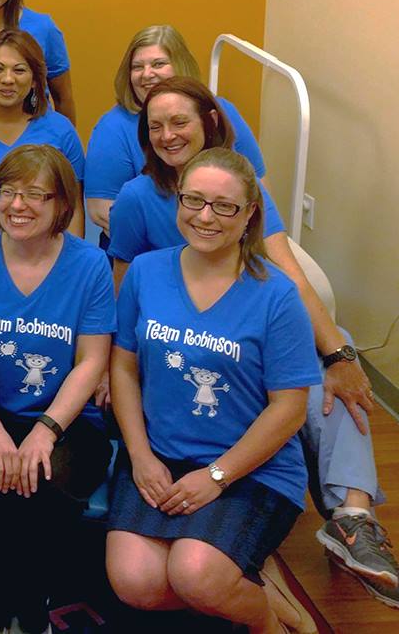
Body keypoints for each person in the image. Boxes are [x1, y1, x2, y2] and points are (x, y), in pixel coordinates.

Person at [109, 77, 398, 605]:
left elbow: (286, 274)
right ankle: (248, 578)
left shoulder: (248, 196)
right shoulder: (137, 203)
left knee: (327, 368)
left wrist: (338, 353)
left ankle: (353, 515)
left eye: (181, 122)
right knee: (137, 579)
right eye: (156, 126)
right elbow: (126, 288)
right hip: (173, 328)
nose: (169, 134)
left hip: (243, 316)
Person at [106, 147, 320, 634]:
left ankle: (271, 622)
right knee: (136, 584)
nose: (205, 216)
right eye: (193, 200)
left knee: (195, 575)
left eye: (224, 206)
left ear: (249, 215)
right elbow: (123, 367)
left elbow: (290, 408)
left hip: (250, 467)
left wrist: (218, 475)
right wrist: (139, 456)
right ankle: (254, 583)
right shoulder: (145, 271)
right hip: (160, 457)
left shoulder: (277, 294)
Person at [0, 144, 114, 633]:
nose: (17, 205)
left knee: (43, 480)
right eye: (7, 192)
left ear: (61, 205)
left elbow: (91, 361)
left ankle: (25, 609)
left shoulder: (88, 266)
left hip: (67, 420)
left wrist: (47, 430)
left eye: (35, 194)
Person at [84, 24, 267, 240]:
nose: (147, 74)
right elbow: (100, 211)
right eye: (137, 67)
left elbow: (258, 184)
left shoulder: (223, 110)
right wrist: (194, 240)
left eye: (158, 64)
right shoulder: (113, 127)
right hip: (149, 247)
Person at [0, 29, 84, 238]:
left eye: (19, 70)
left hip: (49, 255)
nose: (7, 79)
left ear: (35, 80)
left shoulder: (61, 131)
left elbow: (73, 212)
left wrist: (62, 263)